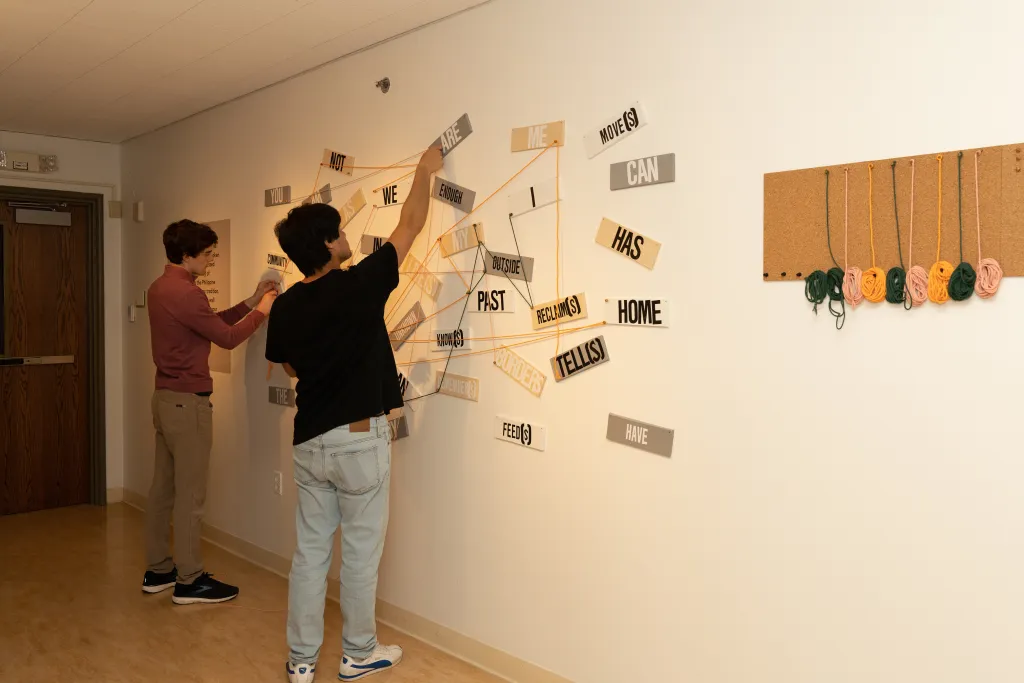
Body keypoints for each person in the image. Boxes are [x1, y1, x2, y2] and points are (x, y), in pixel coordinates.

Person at [266, 146, 443, 682]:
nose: (347, 238)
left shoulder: (287, 305)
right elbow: (410, 224)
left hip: (309, 443)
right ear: (327, 244)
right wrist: (424, 171)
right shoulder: (360, 284)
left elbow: (291, 368)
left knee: (310, 556)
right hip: (358, 441)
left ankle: (301, 664)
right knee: (361, 556)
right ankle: (359, 653)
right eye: (340, 231)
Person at [142, 219, 277, 605]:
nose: (212, 261)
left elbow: (209, 325)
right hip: (188, 404)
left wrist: (251, 302)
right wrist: (265, 310)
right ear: (186, 255)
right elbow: (228, 338)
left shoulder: (162, 287)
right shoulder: (186, 293)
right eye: (207, 254)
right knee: (191, 494)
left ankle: (159, 569)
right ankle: (190, 580)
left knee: (163, 488)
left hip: (166, 398)